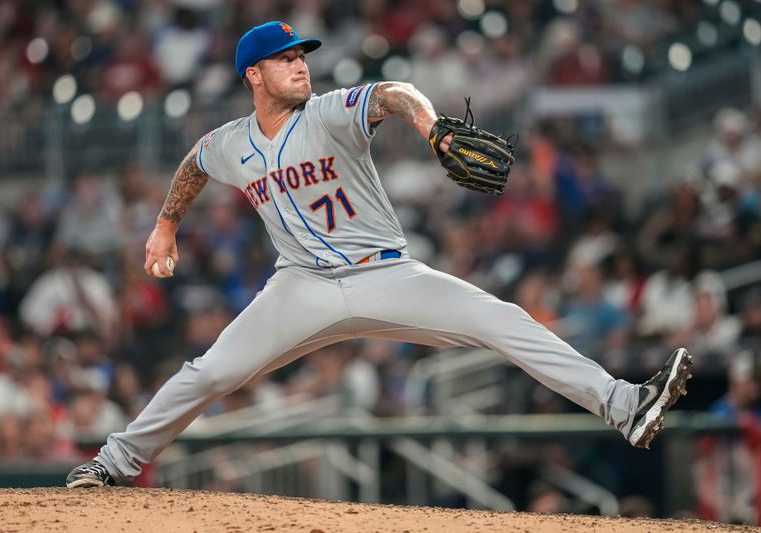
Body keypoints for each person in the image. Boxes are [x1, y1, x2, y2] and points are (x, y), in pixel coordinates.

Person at [66, 21, 693, 488]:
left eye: (302, 55)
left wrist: (431, 126)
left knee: (504, 320)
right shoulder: (231, 143)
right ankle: (114, 463)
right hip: (300, 287)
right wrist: (165, 226)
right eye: (284, 59)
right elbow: (193, 165)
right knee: (209, 373)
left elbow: (393, 91)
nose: (301, 66)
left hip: (388, 275)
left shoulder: (330, 113)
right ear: (253, 75)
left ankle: (624, 406)